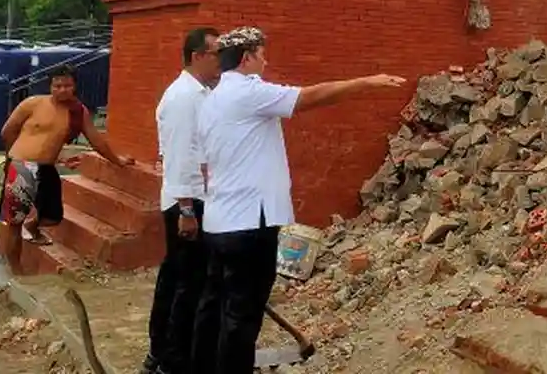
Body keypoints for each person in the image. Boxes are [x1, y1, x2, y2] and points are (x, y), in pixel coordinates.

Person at [191, 26, 407, 374]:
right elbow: (312, 97)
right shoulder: (248, 92)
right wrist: (369, 82)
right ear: (246, 59)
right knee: (240, 318)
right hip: (250, 224)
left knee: (215, 307)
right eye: (262, 54)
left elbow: (205, 163)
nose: (267, 61)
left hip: (219, 221)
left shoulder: (212, 100)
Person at [0, 64, 134, 272]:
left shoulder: (78, 112)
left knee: (53, 216)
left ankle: (33, 226)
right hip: (21, 167)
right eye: (57, 86)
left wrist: (118, 160)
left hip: (47, 168)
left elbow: (97, 140)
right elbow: (8, 131)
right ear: (50, 86)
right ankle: (16, 270)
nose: (62, 90)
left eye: (67, 85)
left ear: (74, 86)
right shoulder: (32, 104)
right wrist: (13, 158)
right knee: (14, 222)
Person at [141, 27, 221, 374]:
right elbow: (179, 157)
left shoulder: (199, 94)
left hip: (191, 198)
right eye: (216, 53)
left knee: (178, 277)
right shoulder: (183, 97)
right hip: (186, 202)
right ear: (196, 56)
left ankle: (162, 351)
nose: (221, 61)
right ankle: (173, 359)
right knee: (187, 283)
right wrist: (187, 210)